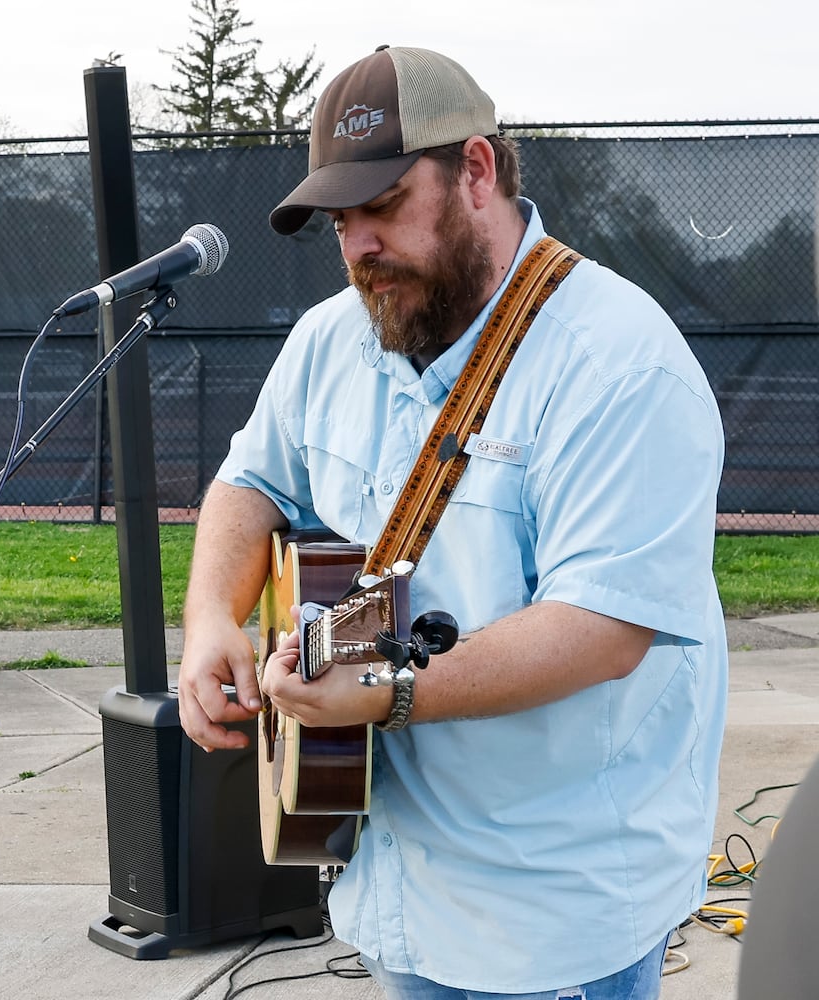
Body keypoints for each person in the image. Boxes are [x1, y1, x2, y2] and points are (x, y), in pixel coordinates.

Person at [176, 45, 726, 999]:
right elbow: (248, 480)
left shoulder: (622, 365)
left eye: (382, 208)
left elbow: (603, 629)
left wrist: (385, 695)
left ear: (476, 170)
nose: (355, 247)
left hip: (552, 914)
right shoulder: (329, 341)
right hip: (393, 890)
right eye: (340, 221)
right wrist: (208, 623)